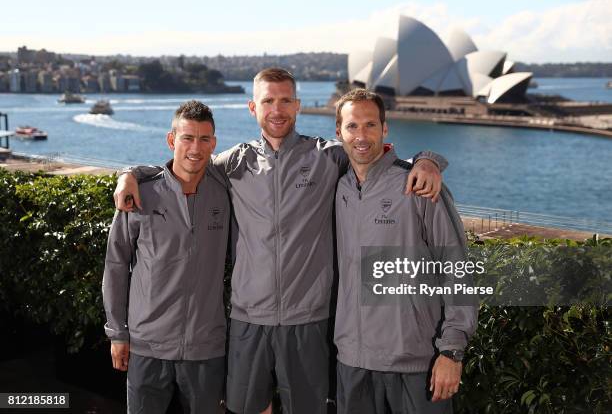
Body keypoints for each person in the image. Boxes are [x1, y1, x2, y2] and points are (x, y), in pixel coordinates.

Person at [113, 68, 447, 414]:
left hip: (308, 320)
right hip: (247, 319)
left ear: (297, 105)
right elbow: (184, 165)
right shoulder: (233, 163)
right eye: (268, 100)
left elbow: (372, 152)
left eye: (285, 100)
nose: (277, 109)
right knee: (245, 408)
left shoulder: (327, 157)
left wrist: (429, 160)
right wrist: (130, 173)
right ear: (252, 107)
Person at [333, 88, 478, 414]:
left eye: (370, 125)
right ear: (338, 133)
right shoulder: (339, 187)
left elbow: (457, 268)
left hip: (416, 363)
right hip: (353, 362)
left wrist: (452, 351)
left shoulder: (418, 185)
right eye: (352, 126)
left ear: (385, 129)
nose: (361, 136)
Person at [102, 101, 228, 414]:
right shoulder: (141, 194)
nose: (195, 148)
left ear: (213, 143)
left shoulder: (226, 192)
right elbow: (116, 266)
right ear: (172, 140)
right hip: (147, 345)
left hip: (206, 347)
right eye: (187, 138)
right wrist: (117, 332)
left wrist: (129, 171)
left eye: (203, 139)